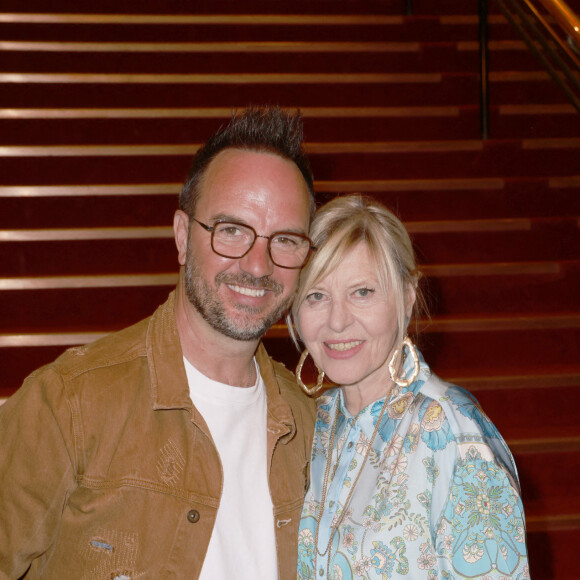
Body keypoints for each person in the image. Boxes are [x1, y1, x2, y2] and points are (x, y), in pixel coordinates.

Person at [0, 106, 317, 579]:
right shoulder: (67, 404)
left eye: (286, 239)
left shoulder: (312, 429)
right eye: (231, 231)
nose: (257, 265)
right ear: (183, 237)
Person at [290, 195, 529, 579]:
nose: (336, 321)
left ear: (407, 297)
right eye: (316, 296)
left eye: (362, 292)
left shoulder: (455, 433)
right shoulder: (312, 422)